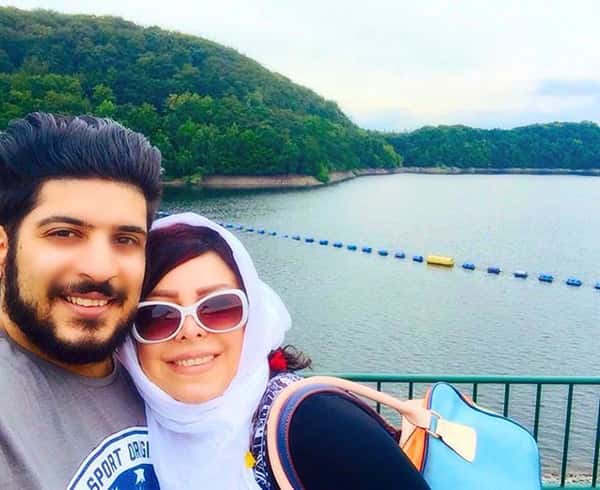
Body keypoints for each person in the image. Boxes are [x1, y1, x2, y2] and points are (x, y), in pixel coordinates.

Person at [119, 212, 430, 489]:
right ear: (128, 339)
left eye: (219, 307)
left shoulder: (318, 426)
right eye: (156, 315)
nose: (190, 330)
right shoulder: (129, 431)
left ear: (253, 320)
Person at [0, 112, 162, 489]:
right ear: (4, 248)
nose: (99, 270)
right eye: (64, 233)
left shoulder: (163, 364)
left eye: (125, 240)